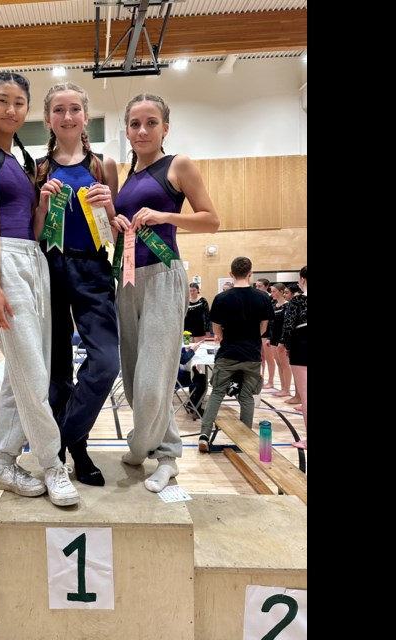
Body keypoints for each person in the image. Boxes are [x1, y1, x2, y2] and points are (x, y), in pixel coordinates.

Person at [0, 72, 79, 507]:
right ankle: (51, 463)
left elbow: (31, 225)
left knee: (21, 371)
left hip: (33, 259)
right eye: (3, 101)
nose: (11, 110)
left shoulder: (21, 160)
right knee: (32, 372)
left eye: (19, 103)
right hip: (5, 262)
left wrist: (45, 201)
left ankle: (4, 461)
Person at [111, 93, 219, 491]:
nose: (142, 130)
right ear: (126, 130)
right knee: (134, 372)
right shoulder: (127, 175)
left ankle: (154, 451)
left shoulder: (179, 165)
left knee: (155, 378)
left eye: (151, 122)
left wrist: (163, 216)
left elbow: (212, 221)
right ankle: (161, 450)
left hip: (163, 276)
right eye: (135, 123)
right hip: (126, 279)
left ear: (165, 128)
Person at [34, 82, 120, 486]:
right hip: (49, 268)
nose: (67, 117)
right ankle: (77, 453)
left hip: (93, 270)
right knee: (56, 370)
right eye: (58, 110)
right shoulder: (38, 168)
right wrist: (43, 204)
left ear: (85, 115)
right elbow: (34, 232)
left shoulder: (105, 166)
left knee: (106, 361)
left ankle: (63, 437)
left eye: (74, 109)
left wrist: (110, 207)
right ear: (48, 118)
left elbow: (114, 231)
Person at [198, 257, 274, 452]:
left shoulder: (222, 298)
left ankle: (204, 435)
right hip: (251, 355)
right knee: (247, 396)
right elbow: (264, 327)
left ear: (231, 274)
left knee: (217, 393)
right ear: (251, 273)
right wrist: (250, 338)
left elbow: (215, 328)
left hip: (228, 352)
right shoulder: (263, 297)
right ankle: (245, 437)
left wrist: (225, 339)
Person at [282, 265, 307, 449]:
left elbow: (289, 326)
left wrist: (288, 345)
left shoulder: (297, 301)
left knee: (306, 395)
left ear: (303, 281)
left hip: (302, 344)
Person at [182, 282, 210, 416]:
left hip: (199, 327)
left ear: (198, 290)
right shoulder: (185, 300)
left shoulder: (202, 301)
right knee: (188, 349)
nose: (192, 292)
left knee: (199, 349)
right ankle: (190, 368)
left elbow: (207, 315)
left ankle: (198, 369)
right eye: (190, 290)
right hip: (187, 328)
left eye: (194, 290)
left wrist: (208, 329)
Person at [254, 278, 275, 388]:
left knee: (268, 357)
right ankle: (259, 377)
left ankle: (271, 380)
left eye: (260, 286)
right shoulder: (256, 298)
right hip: (258, 329)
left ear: (267, 287)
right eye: (256, 286)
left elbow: (271, 318)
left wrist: (270, 335)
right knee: (260, 356)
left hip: (268, 331)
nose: (257, 288)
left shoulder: (271, 299)